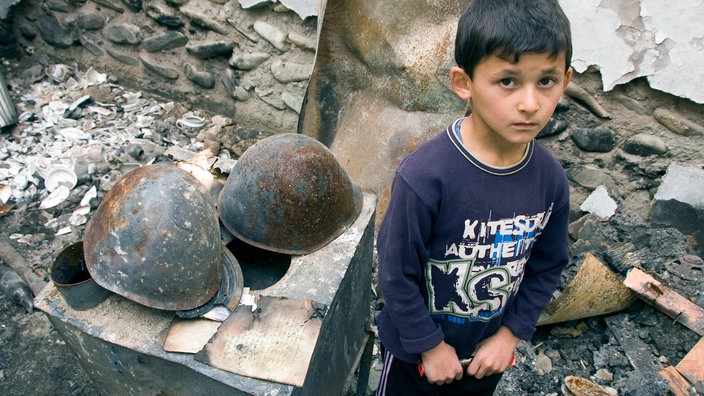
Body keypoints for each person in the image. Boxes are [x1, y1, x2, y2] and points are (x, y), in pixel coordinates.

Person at [374, 0, 574, 394]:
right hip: (415, 359)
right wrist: (429, 346)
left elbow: (548, 266)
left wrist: (509, 336)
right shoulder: (425, 177)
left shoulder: (549, 181)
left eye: (546, 81)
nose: (530, 104)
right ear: (463, 83)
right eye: (508, 81)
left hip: (485, 358)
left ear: (566, 81)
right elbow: (396, 274)